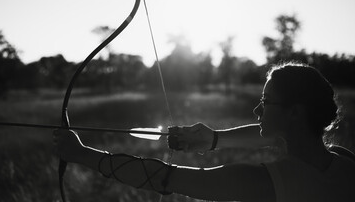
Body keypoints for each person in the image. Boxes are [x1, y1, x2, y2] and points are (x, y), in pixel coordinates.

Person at [53, 62, 355, 201]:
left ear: (295, 112)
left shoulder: (263, 183)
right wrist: (213, 139)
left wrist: (81, 154)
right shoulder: (345, 162)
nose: (257, 111)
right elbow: (274, 134)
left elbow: (159, 177)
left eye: (265, 102)